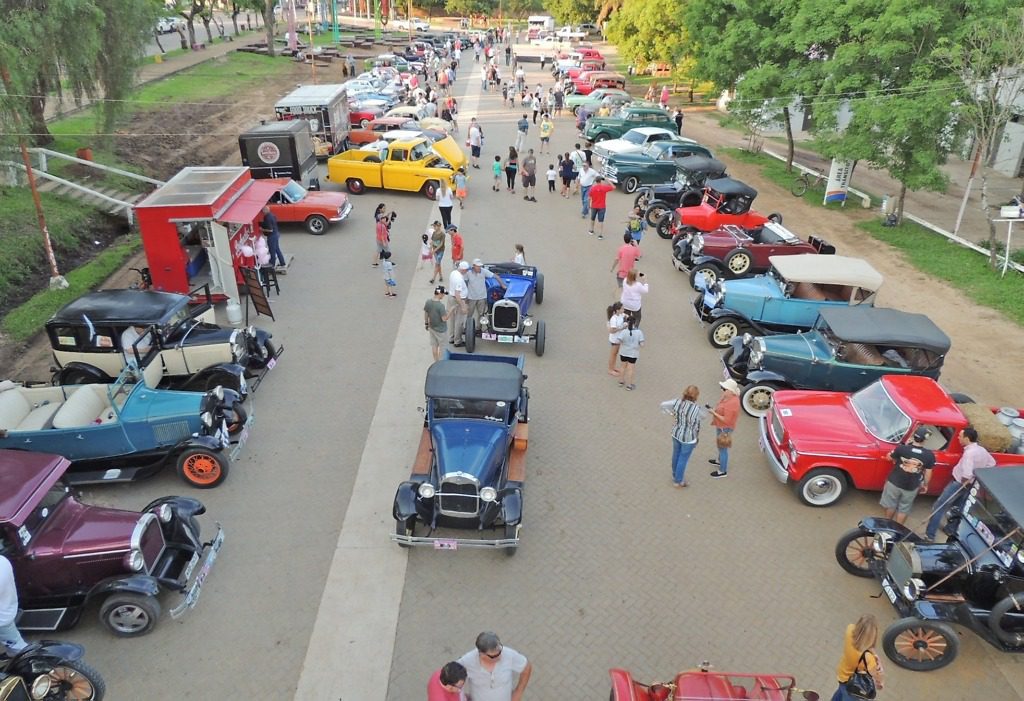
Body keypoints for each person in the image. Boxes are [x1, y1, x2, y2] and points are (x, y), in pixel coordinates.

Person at [925, 427, 996, 540]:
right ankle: (950, 529)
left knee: (939, 506)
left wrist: (966, 480)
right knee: (958, 508)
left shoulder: (969, 454)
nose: (958, 437)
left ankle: (930, 534)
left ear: (967, 438)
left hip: (959, 483)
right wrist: (976, 475)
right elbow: (992, 463)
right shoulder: (981, 450)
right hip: (971, 485)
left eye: (960, 436)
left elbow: (967, 474)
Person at [879, 427, 935, 525]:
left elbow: (888, 458)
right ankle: (897, 529)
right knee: (903, 509)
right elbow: (928, 472)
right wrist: (925, 485)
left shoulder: (902, 448)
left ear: (913, 436)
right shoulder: (929, 455)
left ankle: (886, 525)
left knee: (891, 505)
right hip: (911, 486)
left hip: (894, 482)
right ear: (925, 440)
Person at [458, 631, 532, 701]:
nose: (499, 657)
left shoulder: (508, 654)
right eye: (494, 656)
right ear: (481, 654)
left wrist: (518, 692)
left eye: (500, 652)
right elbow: (448, 680)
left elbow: (526, 667)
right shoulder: (467, 661)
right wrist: (461, 697)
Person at [660, 385, 707, 487]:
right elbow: (703, 417)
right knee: (683, 458)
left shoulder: (677, 402)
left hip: (676, 433)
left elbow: (663, 404)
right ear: (696, 396)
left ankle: (674, 474)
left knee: (676, 454)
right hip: (689, 438)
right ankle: (678, 481)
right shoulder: (697, 409)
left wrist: (671, 413)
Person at [830, 615, 884, 701]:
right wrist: (880, 679)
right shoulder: (869, 658)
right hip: (852, 686)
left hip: (841, 674)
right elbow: (877, 677)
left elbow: (862, 638)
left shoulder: (849, 630)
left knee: (839, 694)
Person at [708, 379, 741, 478]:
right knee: (720, 446)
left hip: (725, 428)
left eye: (724, 388)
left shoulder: (732, 403)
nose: (722, 390)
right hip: (721, 427)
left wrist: (713, 413)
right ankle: (719, 461)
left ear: (730, 391)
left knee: (723, 449)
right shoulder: (727, 396)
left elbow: (726, 420)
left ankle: (722, 471)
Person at [465, 258, 506, 328]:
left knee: (481, 314)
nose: (479, 268)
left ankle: (478, 328)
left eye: (480, 266)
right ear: (474, 266)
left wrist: (503, 285)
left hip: (482, 297)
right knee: (469, 314)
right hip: (471, 297)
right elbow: (464, 283)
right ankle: (467, 327)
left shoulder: (484, 271)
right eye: (478, 266)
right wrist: (465, 296)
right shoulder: (468, 273)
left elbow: (496, 276)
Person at [0, 555, 27, 655]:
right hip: (9, 606)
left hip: (2, 620)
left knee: (18, 647)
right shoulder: (2, 559)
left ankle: (32, 662)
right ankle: (11, 654)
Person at [614, 314, 644, 390]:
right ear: (634, 323)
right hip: (633, 354)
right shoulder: (639, 332)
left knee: (623, 366)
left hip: (623, 352)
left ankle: (621, 381)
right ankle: (629, 385)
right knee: (630, 369)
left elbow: (617, 341)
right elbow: (642, 344)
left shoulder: (624, 332)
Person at [424, 286, 451, 362]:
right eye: (443, 294)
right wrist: (451, 311)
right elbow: (444, 319)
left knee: (434, 345)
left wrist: (426, 323)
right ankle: (441, 363)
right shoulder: (440, 306)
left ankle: (436, 361)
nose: (443, 296)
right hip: (441, 330)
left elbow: (426, 313)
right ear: (440, 294)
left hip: (432, 327)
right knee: (442, 347)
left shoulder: (428, 302)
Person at [448, 261, 470, 347]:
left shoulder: (453, 273)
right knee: (459, 321)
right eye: (466, 270)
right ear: (463, 270)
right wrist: (463, 306)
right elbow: (457, 294)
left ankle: (451, 338)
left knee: (452, 319)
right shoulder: (459, 280)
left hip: (451, 298)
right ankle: (458, 341)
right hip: (458, 299)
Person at [260, 206, 286, 271]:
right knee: (277, 249)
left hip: (272, 236)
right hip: (276, 233)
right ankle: (282, 263)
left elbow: (270, 230)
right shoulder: (272, 215)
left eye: (262, 210)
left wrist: (262, 229)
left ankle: (272, 265)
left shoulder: (267, 218)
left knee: (272, 251)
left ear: (265, 210)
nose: (262, 212)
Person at [606, 302, 626, 376]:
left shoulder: (621, 315)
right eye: (622, 308)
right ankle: (610, 369)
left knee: (615, 353)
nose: (623, 309)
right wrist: (622, 327)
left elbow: (626, 316)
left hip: (619, 338)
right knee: (613, 354)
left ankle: (613, 367)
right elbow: (612, 330)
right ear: (617, 310)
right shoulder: (613, 319)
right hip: (615, 339)